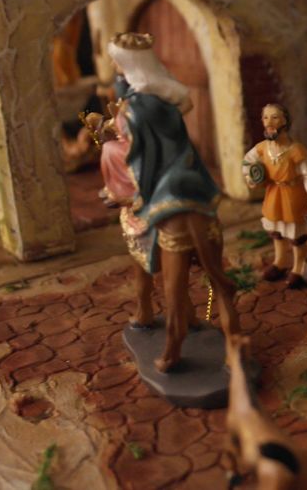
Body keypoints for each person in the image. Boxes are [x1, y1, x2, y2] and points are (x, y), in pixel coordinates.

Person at [99, 31, 239, 372]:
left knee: (109, 152)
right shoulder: (166, 99)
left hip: (163, 190)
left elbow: (135, 155)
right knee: (217, 281)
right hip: (193, 185)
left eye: (118, 62)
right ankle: (234, 345)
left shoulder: (133, 111)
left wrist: (117, 159)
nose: (115, 66)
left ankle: (174, 344)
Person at [242, 103, 307, 289]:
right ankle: (279, 263)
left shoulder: (296, 150)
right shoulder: (262, 148)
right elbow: (247, 161)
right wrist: (251, 178)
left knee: (296, 234)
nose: (269, 122)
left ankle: (298, 267)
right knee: (277, 231)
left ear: (285, 121)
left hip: (292, 197)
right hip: (273, 195)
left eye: (274, 117)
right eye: (265, 118)